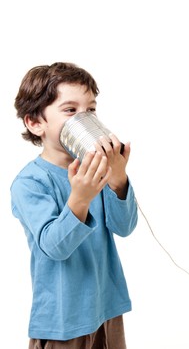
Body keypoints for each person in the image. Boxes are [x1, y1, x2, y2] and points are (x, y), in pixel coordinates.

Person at [11, 62, 138, 349]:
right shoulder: (30, 182)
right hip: (63, 320)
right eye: (70, 110)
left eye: (90, 110)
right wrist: (79, 198)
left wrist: (118, 179)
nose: (85, 119)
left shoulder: (97, 169)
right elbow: (55, 246)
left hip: (107, 307)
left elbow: (124, 227)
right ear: (35, 122)